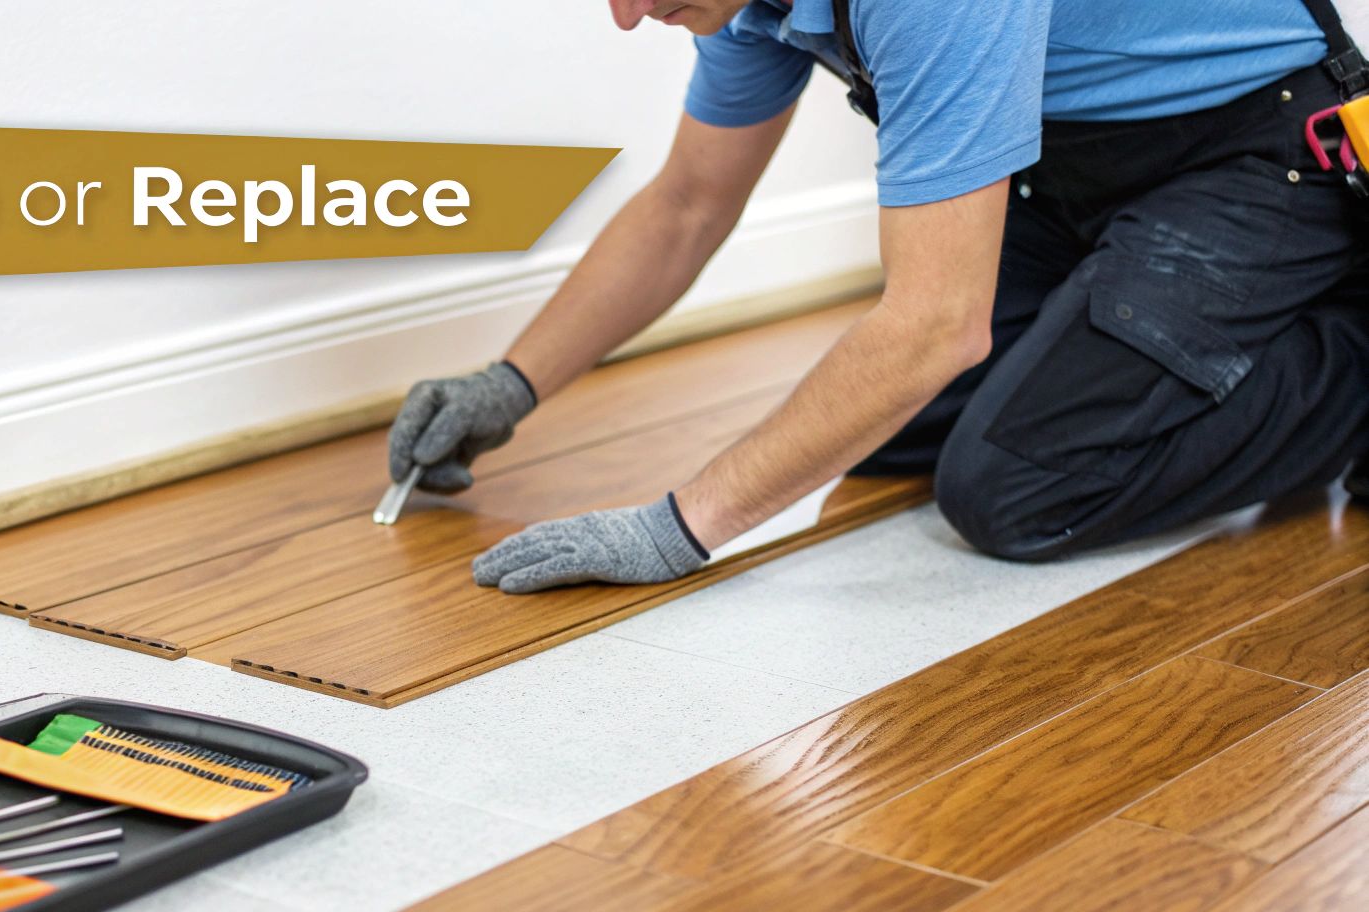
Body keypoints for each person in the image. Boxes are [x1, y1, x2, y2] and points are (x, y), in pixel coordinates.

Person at [386, 0, 1369, 595]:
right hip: (1076, 169)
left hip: (1253, 152)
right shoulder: (746, 3)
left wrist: (676, 530)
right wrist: (508, 383)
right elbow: (687, 204)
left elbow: (935, 325)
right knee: (891, 434)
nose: (625, 14)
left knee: (1012, 489)